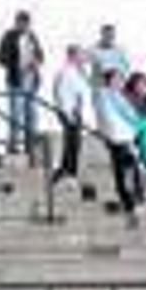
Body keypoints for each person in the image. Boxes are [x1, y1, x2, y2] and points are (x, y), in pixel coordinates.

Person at [92, 68, 144, 225]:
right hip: (119, 138)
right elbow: (124, 116)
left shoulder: (114, 96)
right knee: (125, 170)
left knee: (129, 170)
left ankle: (132, 201)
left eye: (122, 79)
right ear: (111, 80)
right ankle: (131, 203)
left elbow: (129, 116)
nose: (122, 82)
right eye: (119, 79)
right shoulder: (106, 94)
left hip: (122, 138)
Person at [0, 10, 43, 155]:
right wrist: (16, 63)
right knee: (16, 114)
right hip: (16, 80)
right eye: (21, 22)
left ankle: (30, 144)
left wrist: (36, 61)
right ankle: (13, 145)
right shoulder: (9, 36)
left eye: (27, 23)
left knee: (32, 114)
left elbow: (41, 55)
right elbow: (0, 57)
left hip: (31, 81)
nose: (24, 26)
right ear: (16, 22)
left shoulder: (32, 36)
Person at [50, 45, 88, 188]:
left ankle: (65, 172)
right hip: (69, 112)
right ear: (72, 56)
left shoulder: (77, 72)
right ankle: (68, 173)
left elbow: (82, 92)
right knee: (73, 143)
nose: (83, 58)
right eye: (80, 55)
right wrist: (68, 113)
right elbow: (61, 94)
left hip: (75, 112)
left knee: (74, 144)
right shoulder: (65, 72)